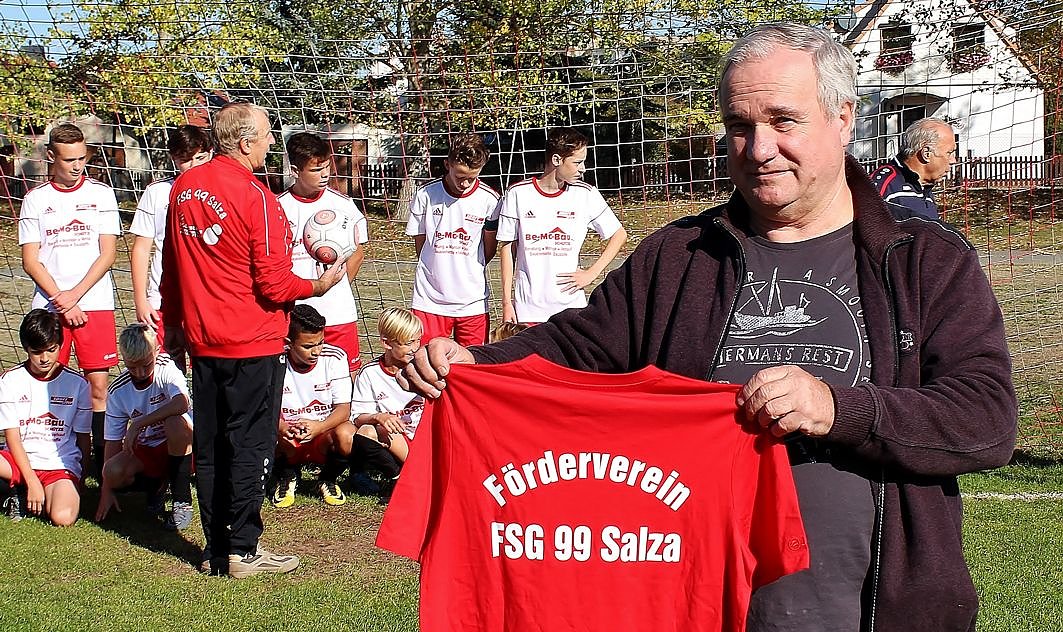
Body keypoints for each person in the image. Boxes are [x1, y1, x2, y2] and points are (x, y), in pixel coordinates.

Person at [401, 23, 1017, 632]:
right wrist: (477, 364)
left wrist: (838, 409)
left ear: (843, 117)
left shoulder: (924, 260)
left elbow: (985, 419)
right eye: (739, 126)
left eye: (784, 121)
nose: (759, 148)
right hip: (697, 605)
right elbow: (576, 346)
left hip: (876, 613)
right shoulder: (680, 256)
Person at [159, 102, 349, 578]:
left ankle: (215, 549)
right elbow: (275, 285)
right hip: (253, 342)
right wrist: (318, 286)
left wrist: (174, 325)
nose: (271, 142)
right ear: (245, 143)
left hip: (204, 342)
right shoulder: (256, 196)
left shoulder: (184, 187)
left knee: (211, 445)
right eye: (266, 135)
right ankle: (243, 550)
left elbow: (171, 265)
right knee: (250, 445)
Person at [18, 122, 121, 480]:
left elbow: (108, 254)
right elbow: (30, 261)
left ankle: (99, 468)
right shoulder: (35, 199)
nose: (77, 166)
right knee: (46, 382)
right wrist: (61, 301)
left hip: (94, 304)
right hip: (50, 307)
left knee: (98, 387)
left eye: (81, 158)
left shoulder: (102, 194)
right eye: (68, 160)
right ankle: (47, 459)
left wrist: (74, 296)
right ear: (51, 156)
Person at [496, 127, 628, 324]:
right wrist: (507, 302)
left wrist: (592, 273)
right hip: (528, 310)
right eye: (577, 162)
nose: (583, 169)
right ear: (556, 160)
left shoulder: (586, 194)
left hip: (570, 309)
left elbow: (619, 235)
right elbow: (506, 248)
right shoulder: (518, 194)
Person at [278, 132, 368, 375]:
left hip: (338, 312)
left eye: (326, 166)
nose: (325, 174)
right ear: (295, 171)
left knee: (346, 376)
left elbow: (357, 253)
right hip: (295, 314)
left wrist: (335, 287)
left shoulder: (343, 205)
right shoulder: (278, 207)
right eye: (316, 170)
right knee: (293, 378)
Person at [129, 125, 215, 373]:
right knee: (165, 370)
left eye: (201, 157)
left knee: (207, 371)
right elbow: (141, 248)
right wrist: (141, 300)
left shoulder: (221, 191)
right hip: (163, 300)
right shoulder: (157, 192)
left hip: (206, 299)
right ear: (174, 159)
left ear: (211, 153)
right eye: (185, 160)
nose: (194, 165)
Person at [96, 323, 194, 531]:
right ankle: (156, 487)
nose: (140, 372)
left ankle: (182, 500)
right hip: (148, 449)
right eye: (132, 367)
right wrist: (106, 489)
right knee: (112, 471)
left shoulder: (166, 367)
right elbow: (112, 441)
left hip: (186, 445)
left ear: (156, 352)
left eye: (146, 365)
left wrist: (139, 424)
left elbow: (181, 403)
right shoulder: (118, 390)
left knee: (175, 423)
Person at [406, 132, 500, 345]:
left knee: (473, 361)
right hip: (429, 300)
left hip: (472, 302)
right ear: (447, 164)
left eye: (472, 178)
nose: (465, 183)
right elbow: (421, 245)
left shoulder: (490, 200)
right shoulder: (425, 195)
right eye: (460, 176)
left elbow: (489, 249)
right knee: (425, 358)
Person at [0, 309, 91, 526]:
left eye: (51, 350)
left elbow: (83, 437)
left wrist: (81, 478)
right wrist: (32, 480)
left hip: (58, 466)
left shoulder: (78, 384)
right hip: (17, 461)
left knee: (63, 517)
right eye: (36, 352)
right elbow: (12, 437)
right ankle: (20, 491)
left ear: (60, 345)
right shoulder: (9, 380)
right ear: (26, 349)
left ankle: (24, 494)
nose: (44, 358)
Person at [272, 305, 356, 509]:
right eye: (308, 346)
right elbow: (264, 409)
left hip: (322, 434)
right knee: (262, 429)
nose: (317, 351)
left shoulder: (335, 358)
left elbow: (344, 409)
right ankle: (287, 476)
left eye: (320, 343)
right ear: (289, 343)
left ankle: (327, 479)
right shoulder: (274, 362)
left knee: (347, 433)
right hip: (288, 436)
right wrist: (283, 427)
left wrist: (319, 427)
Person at [351, 308, 425, 466]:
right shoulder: (370, 373)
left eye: (418, 340)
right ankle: (397, 473)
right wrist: (379, 417)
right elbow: (357, 418)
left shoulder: (425, 368)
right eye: (408, 343)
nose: (415, 348)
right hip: (398, 438)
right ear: (386, 343)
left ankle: (417, 468)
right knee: (367, 432)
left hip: (426, 436)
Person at [870, 117, 957, 220]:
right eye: (949, 153)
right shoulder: (884, 186)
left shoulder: (924, 187)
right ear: (926, 153)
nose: (953, 160)